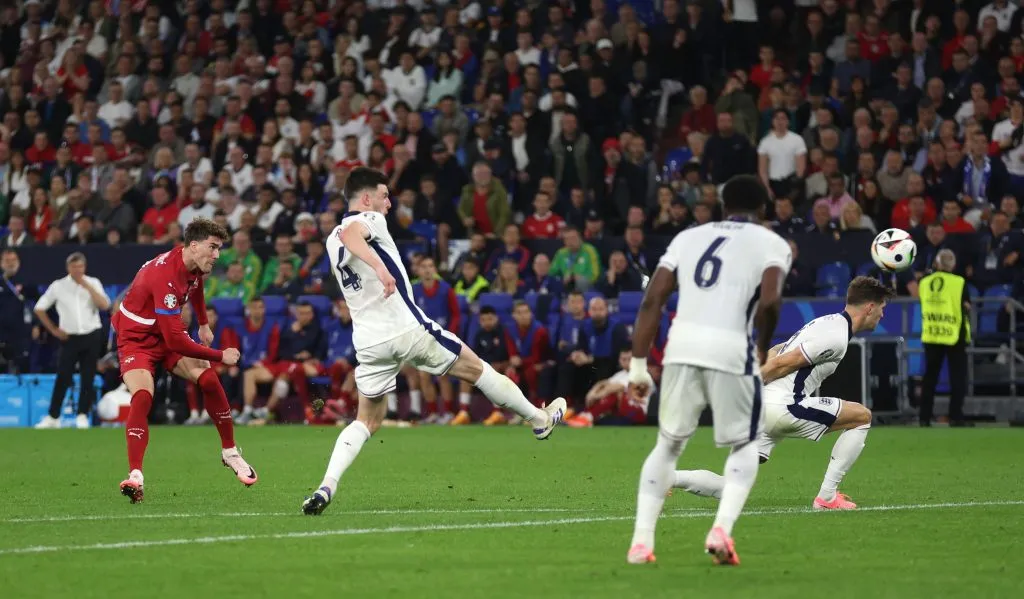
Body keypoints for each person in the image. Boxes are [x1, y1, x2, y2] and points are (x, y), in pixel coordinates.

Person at [303, 168, 567, 515]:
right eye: (384, 195)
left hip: (369, 343)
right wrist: (381, 269)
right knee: (477, 369)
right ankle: (539, 420)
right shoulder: (366, 220)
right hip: (407, 329)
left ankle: (326, 486)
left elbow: (347, 237)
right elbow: (356, 234)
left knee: (365, 421)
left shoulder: (330, 238)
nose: (389, 202)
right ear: (366, 199)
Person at [625, 174, 791, 566]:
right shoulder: (772, 243)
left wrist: (636, 365)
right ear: (764, 210)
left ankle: (641, 543)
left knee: (667, 445)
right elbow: (769, 302)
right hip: (731, 348)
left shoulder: (688, 238)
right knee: (745, 444)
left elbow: (653, 300)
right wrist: (763, 346)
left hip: (681, 347)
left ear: (721, 207)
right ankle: (721, 529)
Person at [673, 277, 894, 509]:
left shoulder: (825, 323)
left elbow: (778, 350)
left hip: (762, 409)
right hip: (783, 406)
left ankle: (671, 478)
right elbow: (783, 364)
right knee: (861, 417)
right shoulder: (835, 337)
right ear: (870, 307)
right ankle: (827, 497)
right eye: (882, 308)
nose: (882, 315)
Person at [111, 218, 256, 503]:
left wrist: (203, 323)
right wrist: (220, 355)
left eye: (218, 249)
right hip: (137, 340)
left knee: (209, 380)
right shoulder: (164, 276)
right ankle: (136, 476)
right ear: (193, 245)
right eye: (213, 248)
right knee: (142, 396)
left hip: (164, 333)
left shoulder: (191, 263)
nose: (217, 255)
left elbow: (196, 286)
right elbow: (176, 341)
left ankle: (230, 452)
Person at [32, 253, 111, 429]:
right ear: (68, 268)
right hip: (69, 337)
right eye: (74, 267)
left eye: (81, 267)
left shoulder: (93, 282)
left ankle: (82, 415)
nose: (78, 270)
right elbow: (39, 308)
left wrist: (88, 287)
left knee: (88, 376)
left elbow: (105, 305)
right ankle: (53, 416)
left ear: (85, 267)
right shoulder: (58, 286)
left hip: (91, 334)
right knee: (63, 376)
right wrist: (53, 330)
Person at [918, 249, 972, 427]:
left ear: (936, 263)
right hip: (954, 334)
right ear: (954, 265)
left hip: (932, 334)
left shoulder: (924, 282)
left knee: (929, 378)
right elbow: (966, 306)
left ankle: (924, 418)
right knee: (957, 378)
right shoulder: (959, 282)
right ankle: (955, 417)